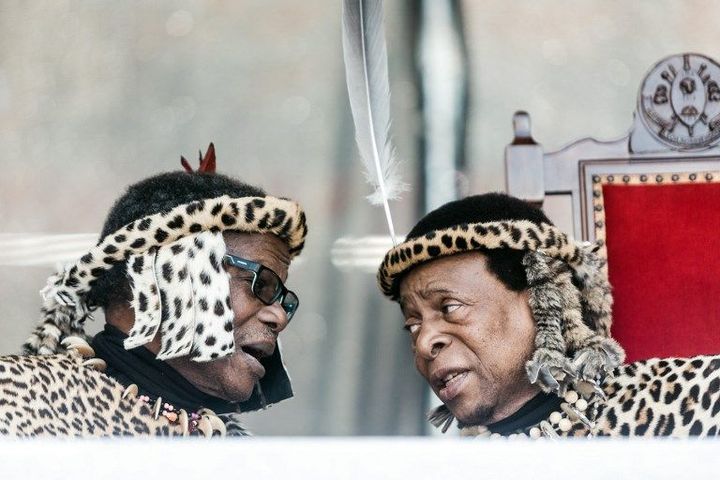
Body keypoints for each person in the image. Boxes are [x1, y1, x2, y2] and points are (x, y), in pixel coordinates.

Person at [0, 145, 308, 437]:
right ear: (167, 272)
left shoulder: (241, 458)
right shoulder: (16, 398)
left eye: (284, 299)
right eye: (261, 284)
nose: (279, 316)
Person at [377, 192, 720, 437]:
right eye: (412, 324)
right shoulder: (442, 470)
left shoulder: (695, 400)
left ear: (542, 298)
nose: (423, 343)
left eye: (449, 307)